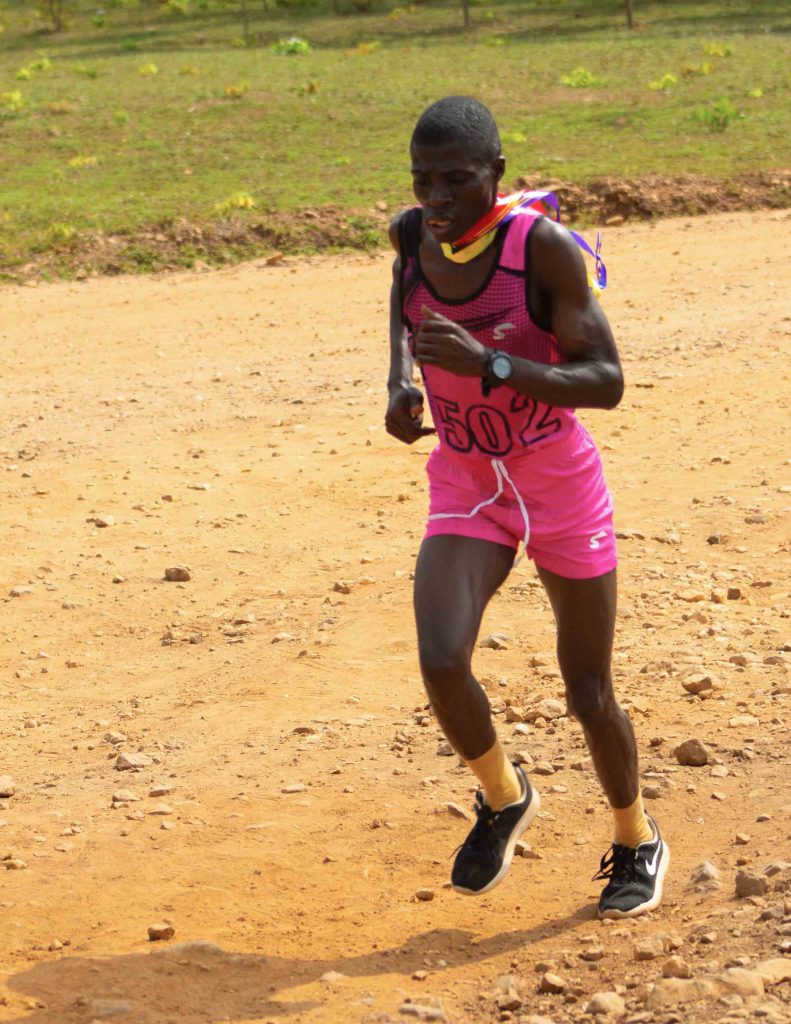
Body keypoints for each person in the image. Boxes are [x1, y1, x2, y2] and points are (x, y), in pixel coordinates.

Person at [385, 96, 669, 919]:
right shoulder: (412, 236)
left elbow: (605, 381)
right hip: (468, 478)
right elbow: (405, 309)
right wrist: (401, 385)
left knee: (587, 691)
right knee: (441, 659)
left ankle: (635, 838)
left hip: (555, 483)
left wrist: (491, 364)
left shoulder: (538, 247)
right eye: (422, 180)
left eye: (455, 179)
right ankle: (504, 797)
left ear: (496, 172)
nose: (436, 198)